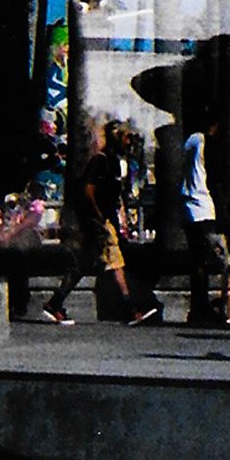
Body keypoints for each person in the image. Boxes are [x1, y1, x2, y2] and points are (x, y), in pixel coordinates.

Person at [44, 118, 162, 325]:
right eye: (127, 137)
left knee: (88, 264)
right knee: (113, 262)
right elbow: (88, 189)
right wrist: (98, 215)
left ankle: (55, 303)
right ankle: (129, 310)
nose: (130, 143)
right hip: (99, 222)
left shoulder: (116, 163)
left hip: (105, 221)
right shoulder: (101, 160)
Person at [181, 112, 230, 325]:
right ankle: (204, 307)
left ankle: (198, 306)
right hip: (205, 207)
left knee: (197, 260)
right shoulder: (209, 144)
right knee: (215, 259)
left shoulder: (191, 140)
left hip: (189, 206)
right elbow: (215, 179)